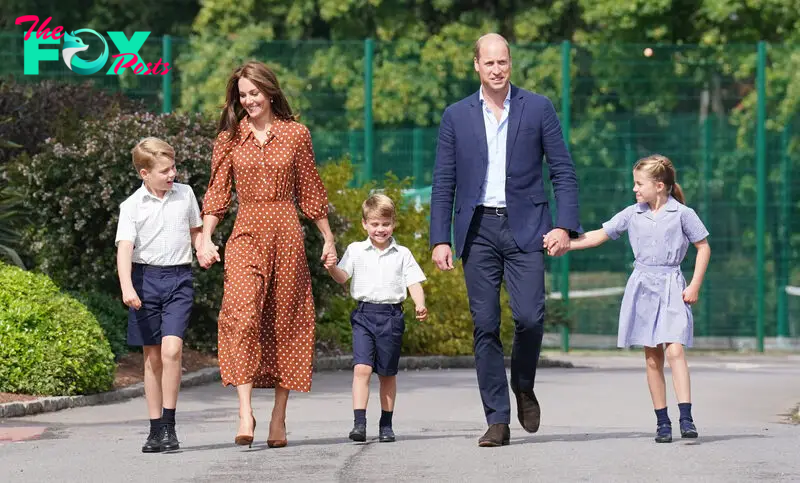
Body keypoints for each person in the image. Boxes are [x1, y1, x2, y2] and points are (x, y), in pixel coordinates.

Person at [429, 32, 582, 447]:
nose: (497, 70)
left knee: (530, 317)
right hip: (477, 230)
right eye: (489, 63)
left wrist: (564, 227)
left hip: (528, 227)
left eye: (504, 62)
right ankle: (497, 418)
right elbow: (443, 182)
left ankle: (524, 385)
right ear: (476, 65)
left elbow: (563, 172)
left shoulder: (538, 108)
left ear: (510, 64)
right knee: (485, 326)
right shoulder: (456, 116)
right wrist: (439, 238)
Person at [196, 61, 337, 448]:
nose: (249, 100)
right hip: (246, 233)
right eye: (242, 95)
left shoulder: (296, 135)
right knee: (240, 314)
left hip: (287, 233)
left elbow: (310, 190)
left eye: (254, 93)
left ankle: (279, 416)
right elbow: (217, 194)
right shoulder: (230, 138)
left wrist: (327, 238)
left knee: (284, 321)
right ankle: (245, 411)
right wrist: (206, 238)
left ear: (270, 92)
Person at [560, 154, 710, 443]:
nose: (635, 189)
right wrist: (566, 243)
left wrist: (694, 286)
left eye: (639, 184)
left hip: (671, 286)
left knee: (675, 349)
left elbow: (703, 247)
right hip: (642, 287)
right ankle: (662, 422)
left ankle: (686, 417)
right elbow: (597, 235)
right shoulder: (632, 213)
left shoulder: (683, 214)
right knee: (653, 357)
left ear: (660, 185)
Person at [115, 137, 204, 453]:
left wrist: (203, 247)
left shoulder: (185, 195)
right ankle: (156, 431)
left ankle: (169, 424)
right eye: (165, 170)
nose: (172, 175)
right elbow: (125, 248)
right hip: (145, 280)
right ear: (144, 173)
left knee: (171, 351)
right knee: (152, 357)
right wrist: (127, 286)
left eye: (174, 168)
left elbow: (196, 230)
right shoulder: (132, 206)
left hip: (179, 278)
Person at [326, 193, 428, 443]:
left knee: (387, 374)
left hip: (391, 317)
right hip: (364, 315)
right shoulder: (355, 250)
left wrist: (420, 304)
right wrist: (331, 267)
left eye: (385, 224)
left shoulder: (402, 253)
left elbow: (413, 281)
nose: (380, 229)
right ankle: (359, 423)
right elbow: (342, 276)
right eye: (375, 224)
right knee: (361, 368)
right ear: (364, 224)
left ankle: (386, 424)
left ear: (393, 224)